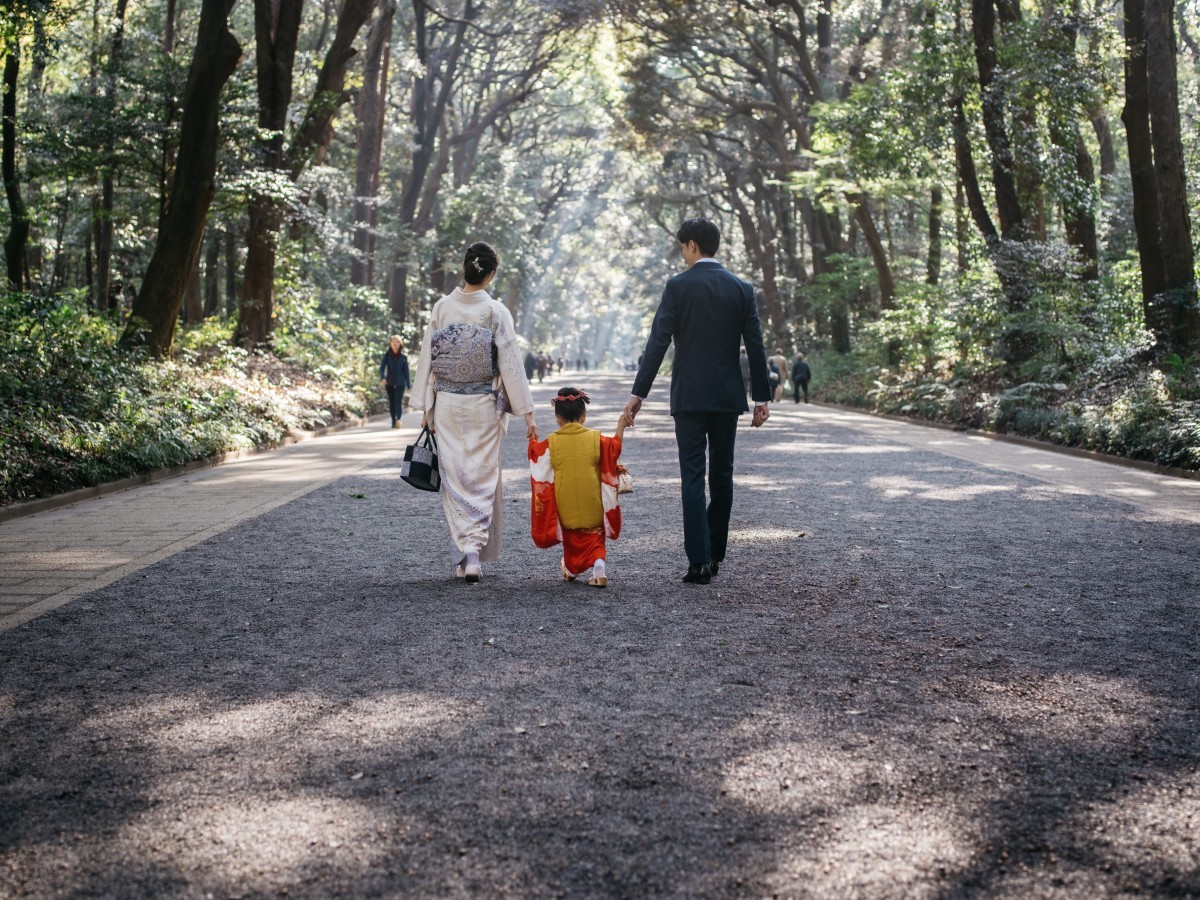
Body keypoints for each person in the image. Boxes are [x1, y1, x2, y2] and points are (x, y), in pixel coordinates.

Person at [624, 217, 770, 585]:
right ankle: (715, 552)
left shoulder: (677, 287)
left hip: (688, 396)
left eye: (682, 247)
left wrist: (638, 393)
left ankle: (698, 561)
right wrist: (762, 398)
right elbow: (755, 344)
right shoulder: (742, 288)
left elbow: (658, 341)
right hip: (726, 396)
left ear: (691, 246)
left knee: (693, 476)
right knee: (723, 474)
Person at [410, 241, 538, 583]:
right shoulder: (495, 312)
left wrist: (426, 404)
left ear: (465, 269)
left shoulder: (441, 307)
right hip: (483, 406)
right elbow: (510, 364)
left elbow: (429, 359)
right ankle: (474, 553)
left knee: (455, 478)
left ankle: (466, 553)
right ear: (491, 274)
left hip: (449, 404)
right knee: (481, 477)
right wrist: (526, 411)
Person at [529, 387, 629, 588]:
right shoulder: (595, 439)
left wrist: (533, 438)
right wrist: (621, 425)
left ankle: (573, 568)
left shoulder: (552, 443)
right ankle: (599, 567)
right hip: (593, 505)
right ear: (584, 416)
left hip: (565, 508)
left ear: (558, 417)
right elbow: (614, 449)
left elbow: (536, 456)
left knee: (572, 542)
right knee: (596, 539)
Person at [378, 335, 411, 429]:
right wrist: (383, 377)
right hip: (389, 383)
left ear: (400, 344)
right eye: (393, 342)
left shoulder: (404, 357)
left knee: (398, 401)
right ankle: (393, 421)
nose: (395, 344)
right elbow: (381, 368)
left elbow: (406, 371)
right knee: (392, 402)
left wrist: (408, 384)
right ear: (390, 343)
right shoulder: (387, 355)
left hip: (400, 383)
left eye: (397, 342)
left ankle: (399, 420)